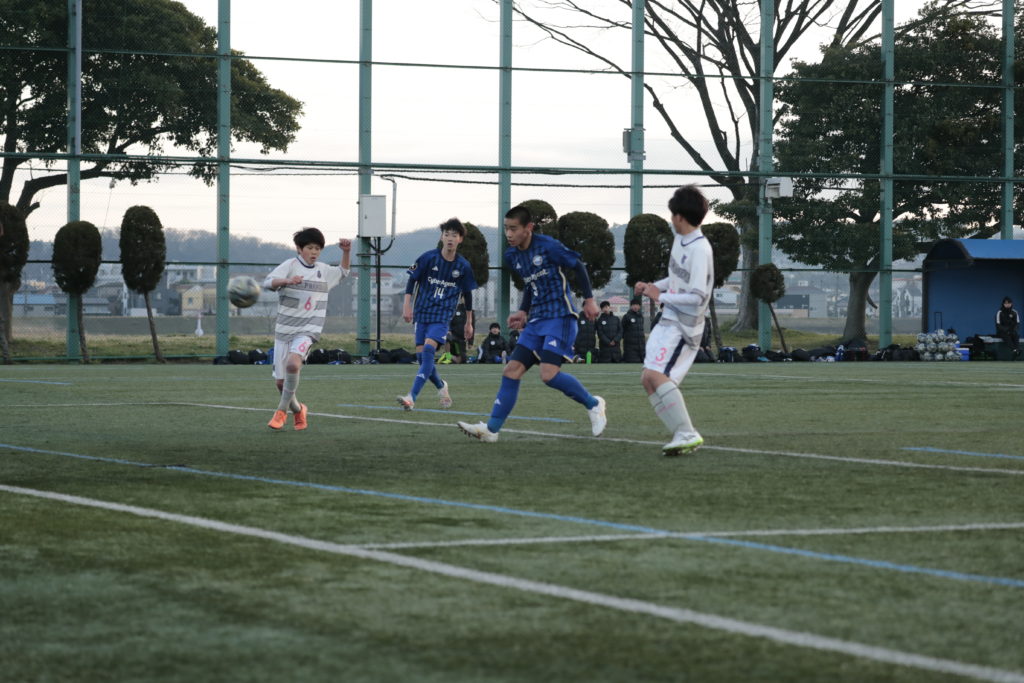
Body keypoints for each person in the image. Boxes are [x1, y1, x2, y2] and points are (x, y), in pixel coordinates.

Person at [458, 205, 606, 442]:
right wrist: (523, 311)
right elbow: (530, 284)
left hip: (560, 316)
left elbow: (578, 265)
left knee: (548, 375)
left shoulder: (548, 246)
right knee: (511, 370)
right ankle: (491, 430)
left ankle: (593, 404)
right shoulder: (512, 255)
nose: (509, 234)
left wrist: (589, 300)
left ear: (529, 228)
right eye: (506, 228)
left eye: (513, 228)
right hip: (537, 320)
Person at [633, 185, 714, 456]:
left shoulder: (700, 249)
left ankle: (687, 432)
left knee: (657, 376)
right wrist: (652, 287)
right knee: (647, 378)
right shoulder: (680, 240)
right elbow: (677, 279)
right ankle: (681, 435)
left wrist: (661, 296)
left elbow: (698, 296)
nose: (671, 219)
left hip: (684, 326)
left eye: (672, 215)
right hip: (668, 320)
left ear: (680, 216)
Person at [264, 227, 351, 430]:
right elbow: (268, 283)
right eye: (310, 248)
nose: (314, 252)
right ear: (299, 248)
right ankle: (298, 409)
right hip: (284, 331)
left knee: (293, 365)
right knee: (281, 383)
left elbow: (343, 272)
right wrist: (287, 281)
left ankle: (281, 412)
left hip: (308, 330)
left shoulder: (323, 270)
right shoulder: (290, 265)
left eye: (317, 249)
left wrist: (346, 252)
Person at [398, 218, 477, 409]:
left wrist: (469, 322)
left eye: (454, 235)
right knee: (422, 359)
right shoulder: (428, 258)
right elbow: (412, 281)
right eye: (446, 234)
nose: (450, 238)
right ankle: (441, 387)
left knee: (428, 351)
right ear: (442, 237)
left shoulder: (463, 266)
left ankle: (411, 397)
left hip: (442, 316)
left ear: (460, 239)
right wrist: (406, 305)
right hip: (422, 313)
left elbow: (467, 295)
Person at [621, 296, 646, 363]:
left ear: (639, 306)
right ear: (631, 306)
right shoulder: (626, 316)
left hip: (640, 345)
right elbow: (622, 329)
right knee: (632, 362)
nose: (635, 307)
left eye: (637, 305)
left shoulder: (641, 317)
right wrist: (627, 338)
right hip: (630, 346)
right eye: (634, 305)